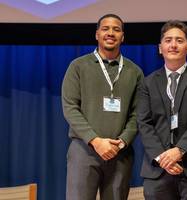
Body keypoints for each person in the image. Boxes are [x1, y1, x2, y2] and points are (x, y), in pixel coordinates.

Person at [62, 14, 144, 200]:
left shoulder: (135, 71)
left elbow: (138, 114)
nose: (110, 33)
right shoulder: (78, 66)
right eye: (105, 28)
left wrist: (121, 142)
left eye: (116, 29)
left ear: (122, 36)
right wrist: (96, 141)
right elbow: (70, 107)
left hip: (119, 153)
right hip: (84, 151)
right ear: (97, 34)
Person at [137, 20, 187, 200]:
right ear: (160, 48)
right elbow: (144, 123)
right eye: (168, 40)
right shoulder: (147, 82)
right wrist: (162, 158)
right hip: (157, 170)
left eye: (179, 41)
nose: (173, 45)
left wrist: (179, 150)